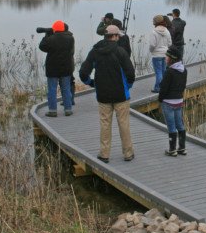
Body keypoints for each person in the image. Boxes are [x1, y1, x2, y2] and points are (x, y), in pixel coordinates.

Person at [79, 25, 136, 163]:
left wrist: (92, 83)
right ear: (115, 36)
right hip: (121, 95)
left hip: (103, 95)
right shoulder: (121, 52)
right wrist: (127, 86)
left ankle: (104, 154)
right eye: (118, 36)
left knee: (105, 124)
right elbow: (131, 74)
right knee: (124, 124)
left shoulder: (95, 51)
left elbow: (83, 73)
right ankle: (128, 153)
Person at [39, 20, 75, 117]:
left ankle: (52, 111)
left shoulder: (51, 39)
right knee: (66, 89)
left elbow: (42, 47)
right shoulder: (70, 38)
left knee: (52, 89)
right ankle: (68, 110)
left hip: (52, 69)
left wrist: (47, 35)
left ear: (54, 29)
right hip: (66, 68)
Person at [158, 45, 188, 157]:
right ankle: (182, 148)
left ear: (171, 58)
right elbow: (183, 85)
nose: (165, 58)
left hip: (168, 102)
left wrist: (160, 99)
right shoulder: (184, 70)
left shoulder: (169, 72)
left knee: (171, 126)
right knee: (180, 124)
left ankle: (172, 149)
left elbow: (163, 88)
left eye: (167, 57)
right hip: (179, 101)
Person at [149, 14, 172, 93]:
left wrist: (151, 51)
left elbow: (152, 44)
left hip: (156, 55)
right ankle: (164, 87)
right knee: (163, 71)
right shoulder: (167, 31)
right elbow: (170, 43)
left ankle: (158, 88)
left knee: (158, 72)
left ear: (155, 22)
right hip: (165, 54)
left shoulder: (154, 32)